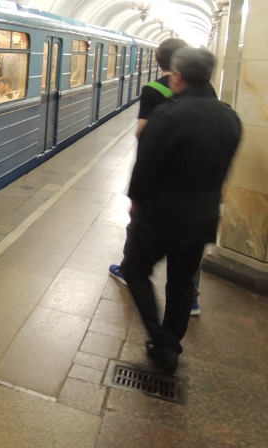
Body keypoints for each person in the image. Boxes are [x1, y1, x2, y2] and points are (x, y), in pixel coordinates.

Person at [119, 47, 241, 374]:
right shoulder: (229, 116)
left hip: (162, 216)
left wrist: (136, 204)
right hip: (202, 216)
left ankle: (160, 339)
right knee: (182, 283)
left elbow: (145, 167)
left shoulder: (168, 115)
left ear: (177, 77)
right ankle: (170, 345)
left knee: (134, 270)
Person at [109, 38, 205, 315]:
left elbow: (142, 131)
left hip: (158, 172)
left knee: (139, 226)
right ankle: (192, 299)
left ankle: (129, 269)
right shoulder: (207, 95)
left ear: (158, 60)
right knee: (189, 245)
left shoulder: (152, 89)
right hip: (194, 179)